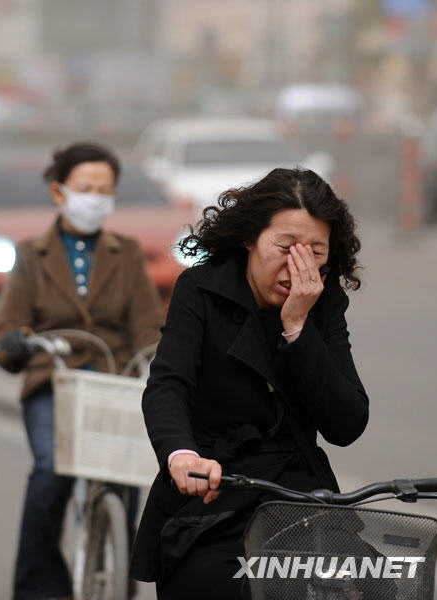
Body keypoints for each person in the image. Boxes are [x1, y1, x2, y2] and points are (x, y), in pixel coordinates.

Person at [129, 167, 370, 599]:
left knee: (375, 583)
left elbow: (346, 423)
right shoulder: (200, 288)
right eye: (285, 247)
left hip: (296, 493)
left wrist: (298, 326)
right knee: (213, 584)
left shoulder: (324, 299)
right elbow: (169, 383)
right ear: (249, 239)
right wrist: (182, 455)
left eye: (316, 251)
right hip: (213, 489)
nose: (300, 265)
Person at [0, 142, 164, 600]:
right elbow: (8, 327)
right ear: (59, 191)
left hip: (115, 380)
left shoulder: (125, 253)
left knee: (124, 481)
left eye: (105, 189)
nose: (96, 197)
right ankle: (39, 589)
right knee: (52, 469)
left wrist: (164, 361)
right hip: (54, 379)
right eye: (86, 187)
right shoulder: (32, 254)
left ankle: (117, 581)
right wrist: (14, 341)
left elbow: (150, 325)